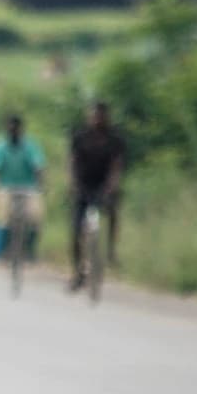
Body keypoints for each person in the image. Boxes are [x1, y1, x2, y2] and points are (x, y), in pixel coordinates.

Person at [68, 100, 127, 281]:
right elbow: (71, 162)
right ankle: (78, 271)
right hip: (83, 184)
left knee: (113, 211)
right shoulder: (80, 136)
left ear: (106, 117)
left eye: (100, 116)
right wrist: (73, 184)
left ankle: (111, 251)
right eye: (93, 116)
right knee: (76, 231)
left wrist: (112, 186)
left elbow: (117, 166)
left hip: (104, 186)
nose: (96, 120)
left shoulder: (114, 139)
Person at [0, 114, 46, 253]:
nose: (13, 131)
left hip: (28, 187)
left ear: (21, 129)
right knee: (3, 218)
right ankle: (3, 248)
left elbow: (38, 166)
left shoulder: (30, 146)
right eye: (10, 128)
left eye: (16, 128)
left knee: (35, 216)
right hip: (6, 187)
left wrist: (40, 184)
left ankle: (30, 250)